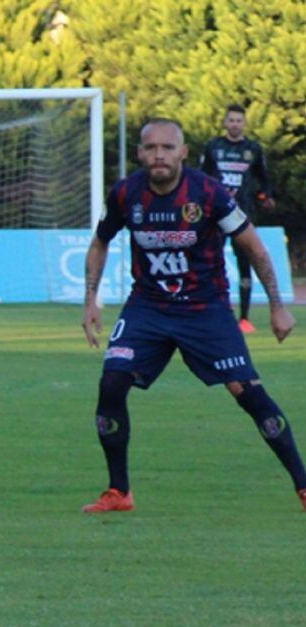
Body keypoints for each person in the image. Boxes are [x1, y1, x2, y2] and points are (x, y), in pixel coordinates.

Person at [81, 118, 306, 514]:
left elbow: (254, 247)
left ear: (183, 152)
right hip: (147, 307)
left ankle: (303, 486)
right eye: (151, 148)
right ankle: (119, 492)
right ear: (140, 154)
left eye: (168, 148)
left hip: (205, 309)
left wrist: (277, 306)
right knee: (112, 382)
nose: (159, 156)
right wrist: (90, 300)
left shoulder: (208, 193)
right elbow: (100, 242)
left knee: (248, 393)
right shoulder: (125, 194)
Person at [200, 104, 277, 334]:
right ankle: (210, 311)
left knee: (246, 264)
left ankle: (244, 318)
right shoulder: (213, 147)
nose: (234, 124)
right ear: (225, 122)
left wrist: (267, 196)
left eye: (238, 120)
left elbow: (264, 179)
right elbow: (200, 177)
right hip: (216, 214)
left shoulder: (253, 149)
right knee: (210, 262)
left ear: (244, 123)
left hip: (244, 215)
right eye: (231, 120)